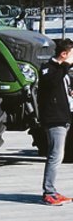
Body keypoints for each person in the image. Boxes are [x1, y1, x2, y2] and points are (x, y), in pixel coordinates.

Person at [37, 37, 73, 206]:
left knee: (59, 155)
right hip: (53, 118)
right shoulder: (48, 69)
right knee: (55, 156)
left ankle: (52, 190)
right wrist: (66, 65)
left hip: (63, 116)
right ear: (64, 54)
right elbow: (51, 81)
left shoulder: (63, 72)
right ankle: (49, 192)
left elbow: (63, 87)